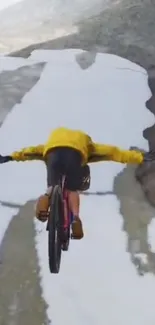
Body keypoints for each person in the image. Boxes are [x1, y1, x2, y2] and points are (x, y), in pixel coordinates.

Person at [0, 127, 154, 240]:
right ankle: (75, 219)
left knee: (53, 185)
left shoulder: (48, 144)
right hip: (75, 156)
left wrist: (10, 157)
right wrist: (141, 157)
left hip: (53, 154)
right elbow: (115, 152)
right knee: (72, 189)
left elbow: (28, 152)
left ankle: (46, 197)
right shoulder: (90, 147)